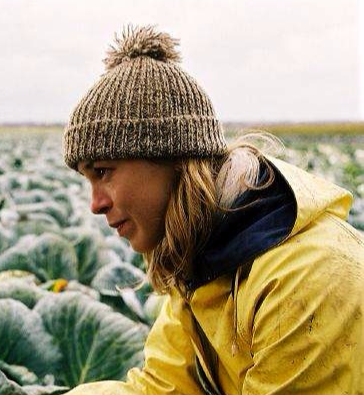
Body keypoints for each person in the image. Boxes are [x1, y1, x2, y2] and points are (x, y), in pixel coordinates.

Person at [62, 25, 364, 395]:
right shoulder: (203, 257)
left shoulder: (310, 279)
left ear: (170, 159)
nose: (96, 204)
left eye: (103, 172)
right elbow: (163, 388)